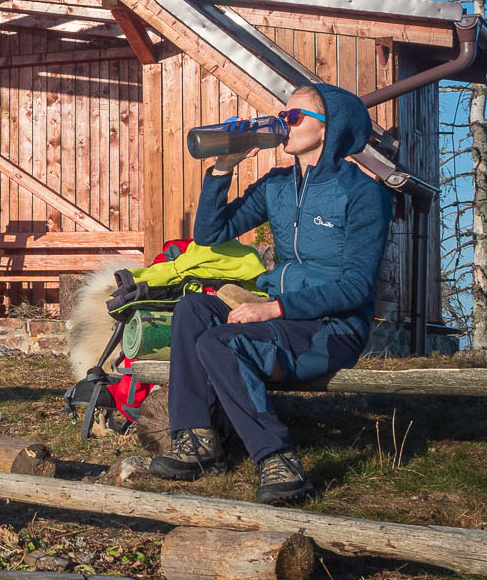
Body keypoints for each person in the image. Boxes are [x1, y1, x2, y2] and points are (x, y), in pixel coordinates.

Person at [148, 83, 393, 505]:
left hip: (330, 326)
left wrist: (274, 307)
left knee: (220, 341)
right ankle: (198, 438)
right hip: (278, 316)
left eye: (295, 117)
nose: (283, 123)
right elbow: (210, 234)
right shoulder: (277, 185)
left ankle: (279, 459)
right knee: (193, 309)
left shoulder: (363, 194)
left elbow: (355, 287)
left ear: (329, 128)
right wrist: (223, 167)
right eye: (283, 115)